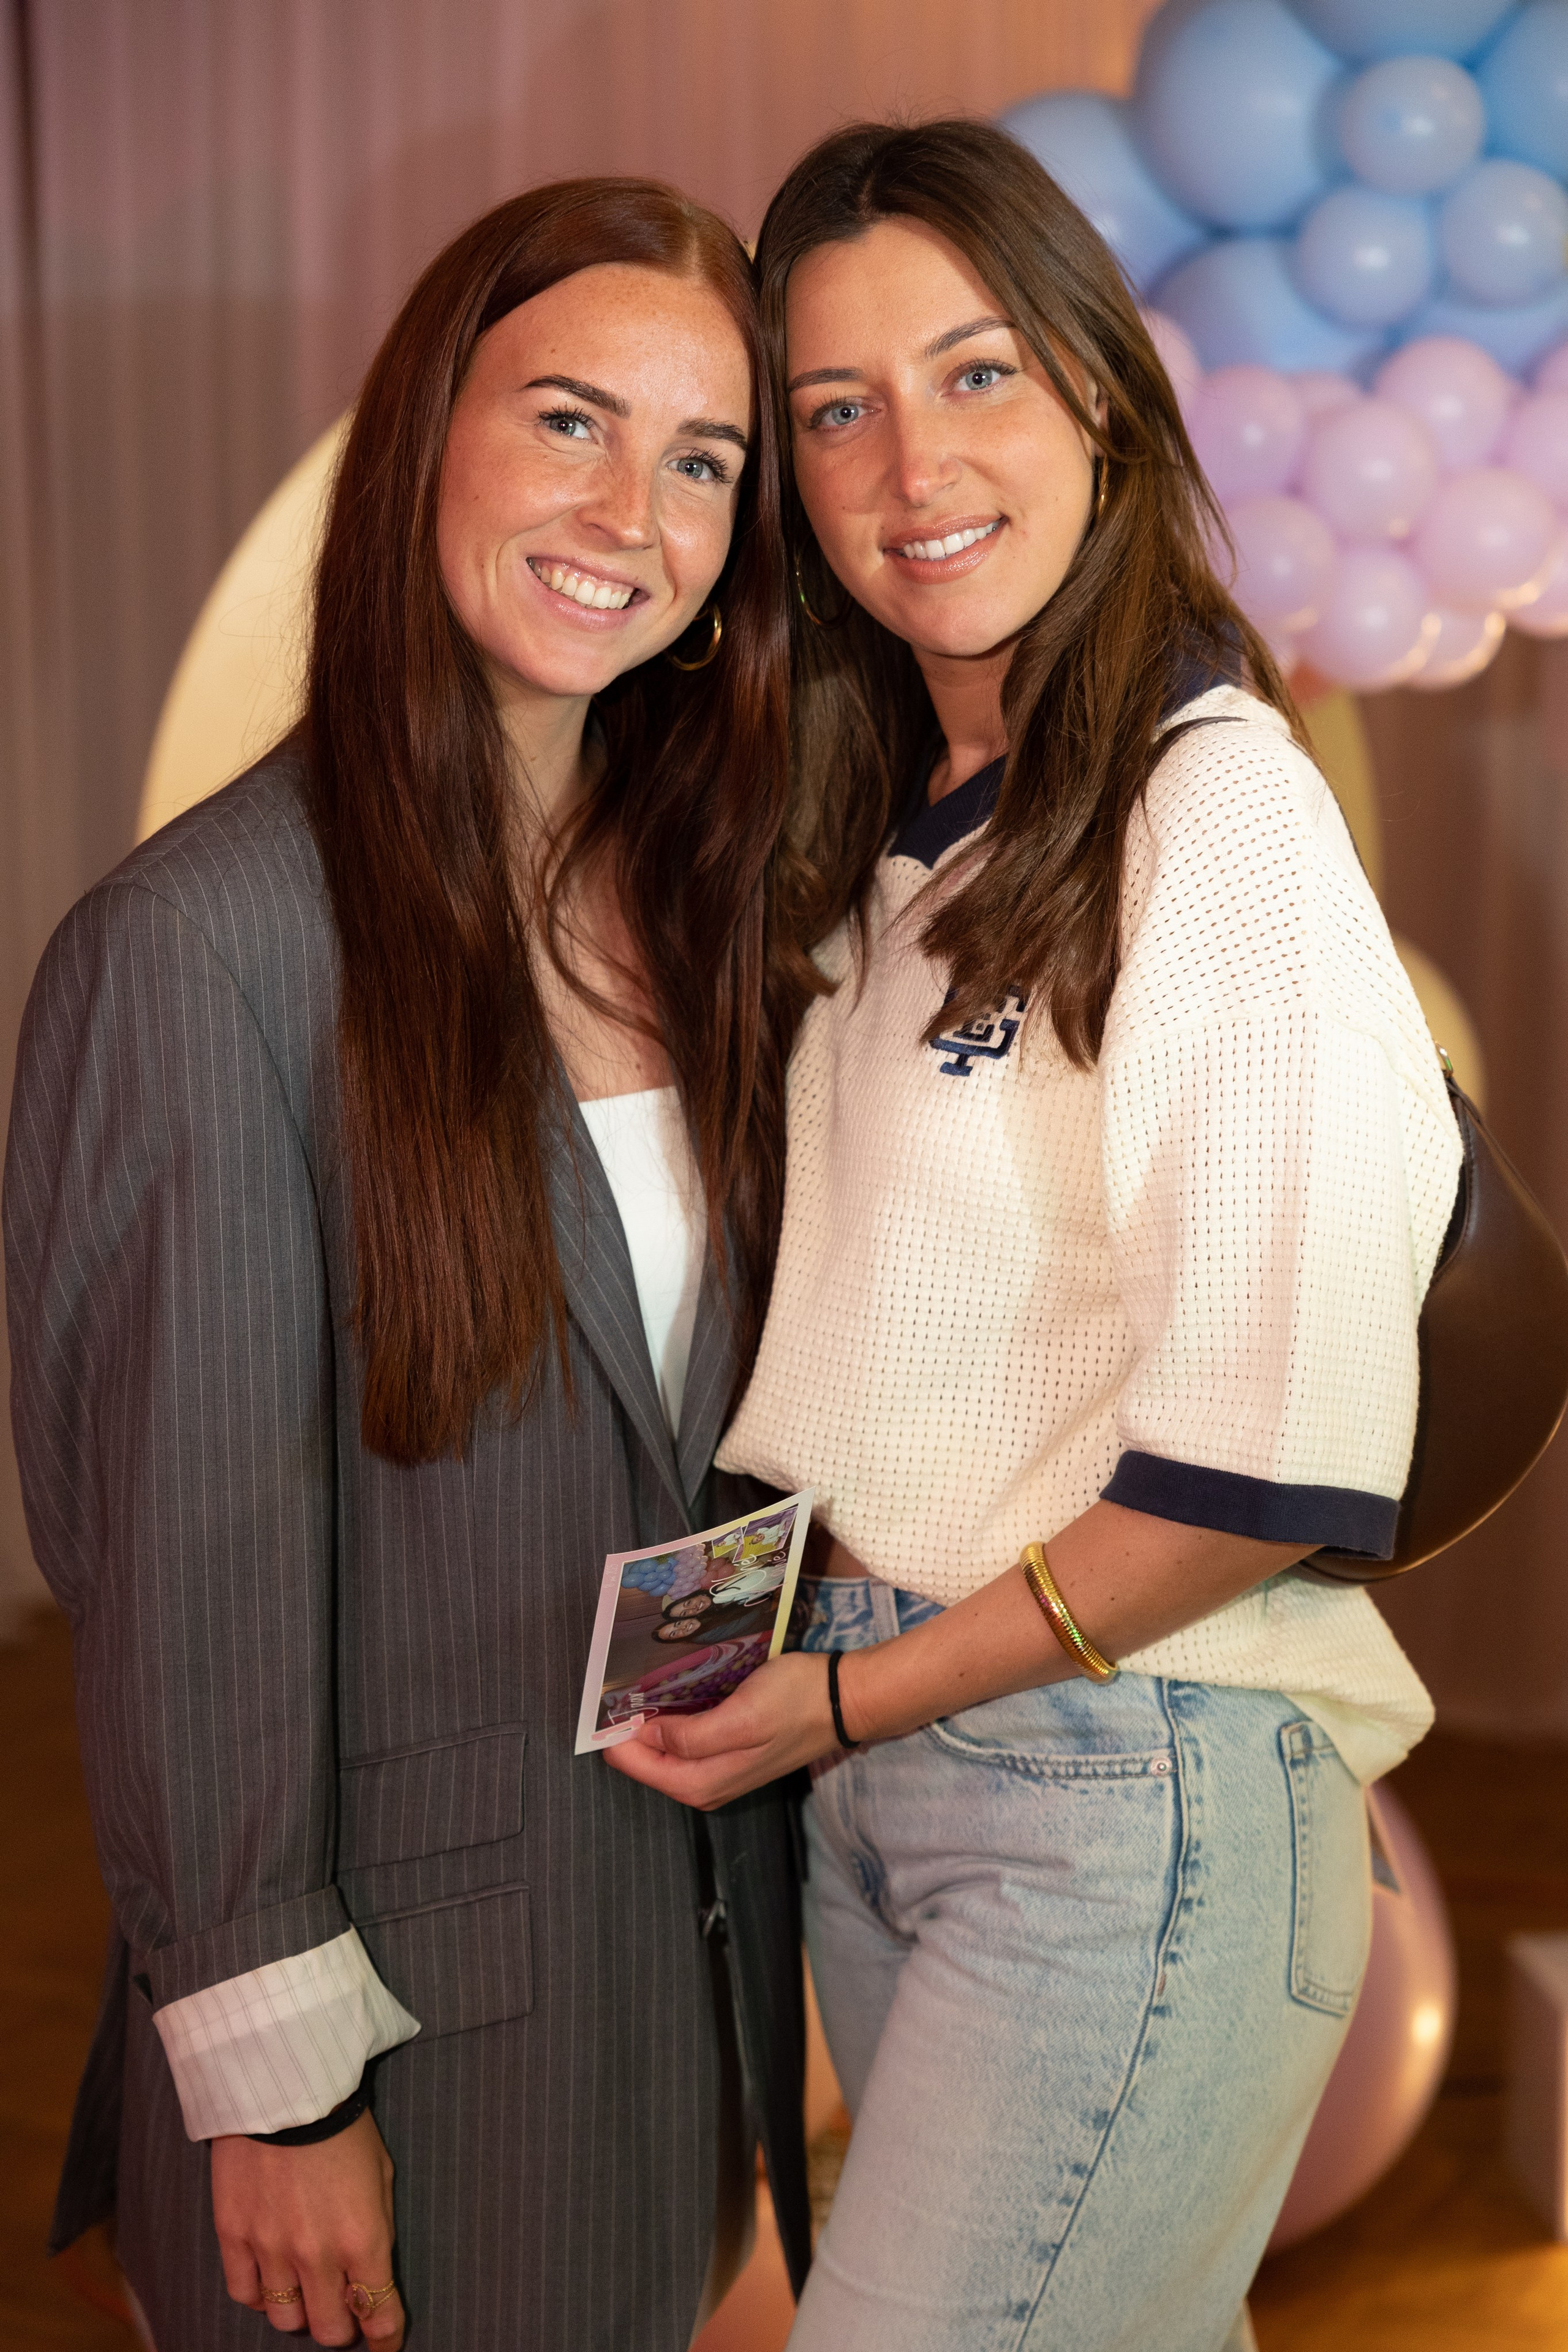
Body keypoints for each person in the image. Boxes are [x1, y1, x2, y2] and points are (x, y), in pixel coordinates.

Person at [606, 121, 1463, 2352]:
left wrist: (842, 1699)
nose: (912, 464)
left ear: (1099, 390)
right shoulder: (888, 860)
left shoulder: (1220, 816)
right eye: (835, 411)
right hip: (904, 1779)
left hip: (1128, 1784)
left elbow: (1241, 1491)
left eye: (976, 373)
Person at [6, 176, 815, 2352]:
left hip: (674, 1977)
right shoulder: (199, 952)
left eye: (705, 460)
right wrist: (279, 2099)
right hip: (387, 2037)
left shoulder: (709, 913)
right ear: (428, 430)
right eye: (570, 418)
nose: (628, 509)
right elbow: (188, 1575)